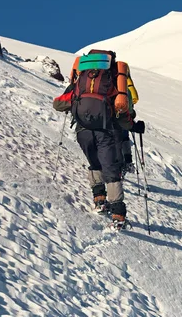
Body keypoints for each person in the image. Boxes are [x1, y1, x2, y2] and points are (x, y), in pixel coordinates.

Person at [53, 50, 136, 229]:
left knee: (95, 164)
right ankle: (118, 215)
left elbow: (58, 104)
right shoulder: (113, 79)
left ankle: (99, 201)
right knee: (111, 170)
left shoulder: (80, 81)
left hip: (83, 131)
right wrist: (131, 125)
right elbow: (122, 110)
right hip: (106, 132)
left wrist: (77, 103)